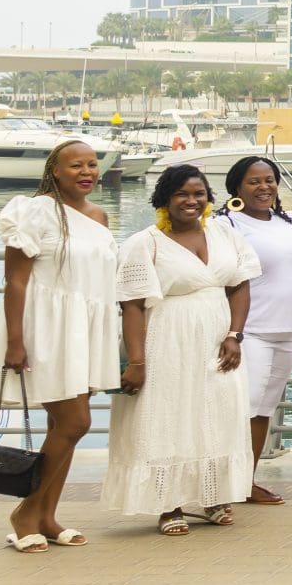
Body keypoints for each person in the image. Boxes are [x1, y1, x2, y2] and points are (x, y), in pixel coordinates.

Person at [107, 165, 258, 535]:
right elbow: (131, 305)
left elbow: (239, 287)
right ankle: (168, 505)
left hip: (218, 340)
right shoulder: (146, 242)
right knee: (167, 418)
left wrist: (235, 334)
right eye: (182, 194)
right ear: (165, 199)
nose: (191, 201)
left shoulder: (225, 234)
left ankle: (211, 498)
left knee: (216, 414)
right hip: (166, 341)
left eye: (199, 194)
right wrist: (137, 360)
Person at [0, 139, 119, 551]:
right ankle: (25, 513)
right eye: (76, 165)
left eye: (92, 165)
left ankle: (47, 516)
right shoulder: (35, 211)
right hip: (43, 328)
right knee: (76, 422)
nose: (86, 172)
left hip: (83, 328)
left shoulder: (99, 216)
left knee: (62, 426)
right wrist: (15, 340)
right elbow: (17, 280)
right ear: (55, 171)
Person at [217, 155, 292, 509]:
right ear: (237, 187)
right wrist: (231, 332)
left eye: (269, 180)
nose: (264, 187)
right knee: (242, 409)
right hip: (250, 331)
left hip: (288, 330)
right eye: (254, 181)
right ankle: (222, 483)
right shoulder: (227, 224)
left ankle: (246, 480)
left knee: (264, 410)